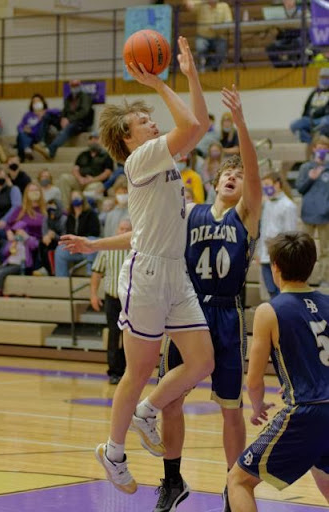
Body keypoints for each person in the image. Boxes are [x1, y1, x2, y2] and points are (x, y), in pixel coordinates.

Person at [59, 36, 214, 494]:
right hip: (146, 276)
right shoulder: (144, 157)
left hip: (172, 272)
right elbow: (194, 126)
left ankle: (148, 411)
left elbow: (199, 122)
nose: (151, 122)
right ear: (127, 139)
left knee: (202, 361)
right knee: (138, 370)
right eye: (143, 121)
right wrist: (168, 82)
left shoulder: (162, 160)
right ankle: (113, 450)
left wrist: (96, 242)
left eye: (150, 118)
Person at [154, 86, 261, 512]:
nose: (233, 177)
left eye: (238, 175)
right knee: (171, 399)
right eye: (227, 174)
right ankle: (172, 479)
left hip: (227, 313)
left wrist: (240, 124)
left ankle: (234, 486)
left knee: (230, 409)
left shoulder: (246, 215)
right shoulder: (191, 211)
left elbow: (253, 175)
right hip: (186, 309)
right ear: (215, 182)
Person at [228, 231, 329, 511]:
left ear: (275, 267)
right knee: (324, 476)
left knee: (238, 481)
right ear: (312, 265)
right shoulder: (328, 303)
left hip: (307, 412)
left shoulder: (269, 310)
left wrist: (257, 404)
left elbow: (255, 377)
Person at [90, 217, 132, 385]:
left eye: (127, 229)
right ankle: (114, 371)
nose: (123, 232)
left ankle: (129, 370)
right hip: (112, 298)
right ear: (116, 231)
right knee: (114, 334)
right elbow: (96, 273)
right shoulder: (107, 249)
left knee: (130, 336)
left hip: (131, 300)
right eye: (121, 229)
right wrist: (93, 294)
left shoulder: (138, 248)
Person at [258, 171, 298, 298]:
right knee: (271, 291)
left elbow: (290, 233)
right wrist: (260, 252)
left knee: (281, 291)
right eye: (263, 185)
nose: (265, 188)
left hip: (280, 255)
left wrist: (285, 254)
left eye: (268, 184)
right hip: (266, 255)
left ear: (277, 184)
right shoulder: (267, 203)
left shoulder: (288, 205)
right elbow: (263, 230)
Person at [296, 135, 329, 287]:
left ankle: (325, 280)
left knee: (325, 250)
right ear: (314, 148)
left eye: (325, 147)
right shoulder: (305, 168)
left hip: (326, 215)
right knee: (305, 249)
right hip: (308, 214)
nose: (321, 150)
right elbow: (300, 189)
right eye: (319, 147)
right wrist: (310, 178)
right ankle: (303, 278)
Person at [34, 79, 94, 159]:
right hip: (68, 121)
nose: (75, 87)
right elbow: (64, 111)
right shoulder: (68, 98)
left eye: (76, 85)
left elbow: (84, 112)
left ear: (80, 86)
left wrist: (69, 119)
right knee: (47, 116)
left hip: (80, 123)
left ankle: (50, 150)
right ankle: (42, 142)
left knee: (70, 127)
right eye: (73, 86)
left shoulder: (85, 97)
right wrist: (62, 119)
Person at [58, 131, 114, 208]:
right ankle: (65, 209)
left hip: (95, 182)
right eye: (91, 138)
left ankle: (85, 211)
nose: (94, 140)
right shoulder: (82, 154)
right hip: (80, 181)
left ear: (101, 141)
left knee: (94, 187)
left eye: (96, 138)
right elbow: (75, 169)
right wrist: (80, 178)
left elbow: (107, 173)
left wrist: (93, 180)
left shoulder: (106, 156)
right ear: (88, 141)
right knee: (64, 178)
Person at [54, 190, 99, 277]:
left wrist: (81, 240)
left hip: (86, 243)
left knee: (92, 240)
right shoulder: (70, 216)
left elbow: (95, 232)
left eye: (77, 197)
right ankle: (61, 278)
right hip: (75, 246)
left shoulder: (91, 214)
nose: (76, 199)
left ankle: (90, 275)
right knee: (59, 250)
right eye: (73, 198)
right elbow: (68, 233)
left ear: (82, 199)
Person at [0, 225, 39, 296]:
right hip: (8, 264)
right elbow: (3, 253)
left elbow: (35, 245)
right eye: (16, 231)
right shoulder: (13, 241)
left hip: (19, 265)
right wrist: (10, 244)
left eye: (20, 231)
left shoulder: (28, 241)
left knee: (1, 273)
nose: (18, 233)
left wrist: (26, 237)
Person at [185, 0, 233, 72]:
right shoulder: (201, 5)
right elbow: (190, 5)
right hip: (203, 36)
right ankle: (202, 69)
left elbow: (229, 22)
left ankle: (216, 69)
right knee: (200, 47)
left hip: (219, 37)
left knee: (222, 47)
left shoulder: (224, 6)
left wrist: (219, 27)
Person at [16, 93, 60, 161]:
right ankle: (26, 150)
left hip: (40, 135)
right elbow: (19, 126)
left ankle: (27, 150)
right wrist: (24, 129)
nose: (36, 103)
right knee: (21, 134)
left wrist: (45, 112)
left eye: (38, 101)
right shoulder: (28, 115)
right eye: (34, 102)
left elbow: (58, 111)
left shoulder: (47, 113)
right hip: (29, 137)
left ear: (42, 102)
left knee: (22, 138)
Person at [290, 67, 329, 144]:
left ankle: (322, 141)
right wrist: (305, 117)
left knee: (326, 122)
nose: (324, 80)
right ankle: (312, 142)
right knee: (295, 125)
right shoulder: (314, 92)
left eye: (326, 78)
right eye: (322, 77)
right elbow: (306, 107)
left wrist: (317, 112)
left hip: (324, 118)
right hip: (310, 119)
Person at [266, 0, 309, 69]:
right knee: (271, 48)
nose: (287, 1)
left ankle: (299, 66)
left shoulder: (302, 10)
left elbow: (308, 24)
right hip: (285, 37)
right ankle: (283, 67)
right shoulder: (279, 12)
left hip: (298, 36)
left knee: (298, 43)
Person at [0, 167, 22, 246]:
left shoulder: (13, 189)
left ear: (7, 177)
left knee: (1, 227)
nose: (0, 178)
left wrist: (4, 220)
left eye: (3, 176)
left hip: (10, 222)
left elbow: (16, 207)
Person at [34, 198, 67, 276]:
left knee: (52, 248)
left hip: (60, 241)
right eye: (49, 208)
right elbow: (44, 232)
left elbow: (65, 236)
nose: (51, 211)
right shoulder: (46, 219)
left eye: (53, 209)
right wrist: (46, 237)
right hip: (49, 241)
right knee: (42, 244)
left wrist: (54, 236)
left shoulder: (64, 219)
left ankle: (52, 271)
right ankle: (46, 269)